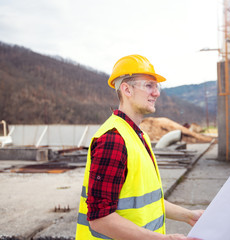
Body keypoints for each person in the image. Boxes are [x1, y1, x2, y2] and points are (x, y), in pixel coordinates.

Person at [76, 54, 203, 240]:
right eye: (149, 86)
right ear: (127, 90)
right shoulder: (113, 139)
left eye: (156, 86)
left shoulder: (137, 135)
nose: (156, 93)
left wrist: (189, 216)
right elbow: (100, 219)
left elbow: (148, 202)